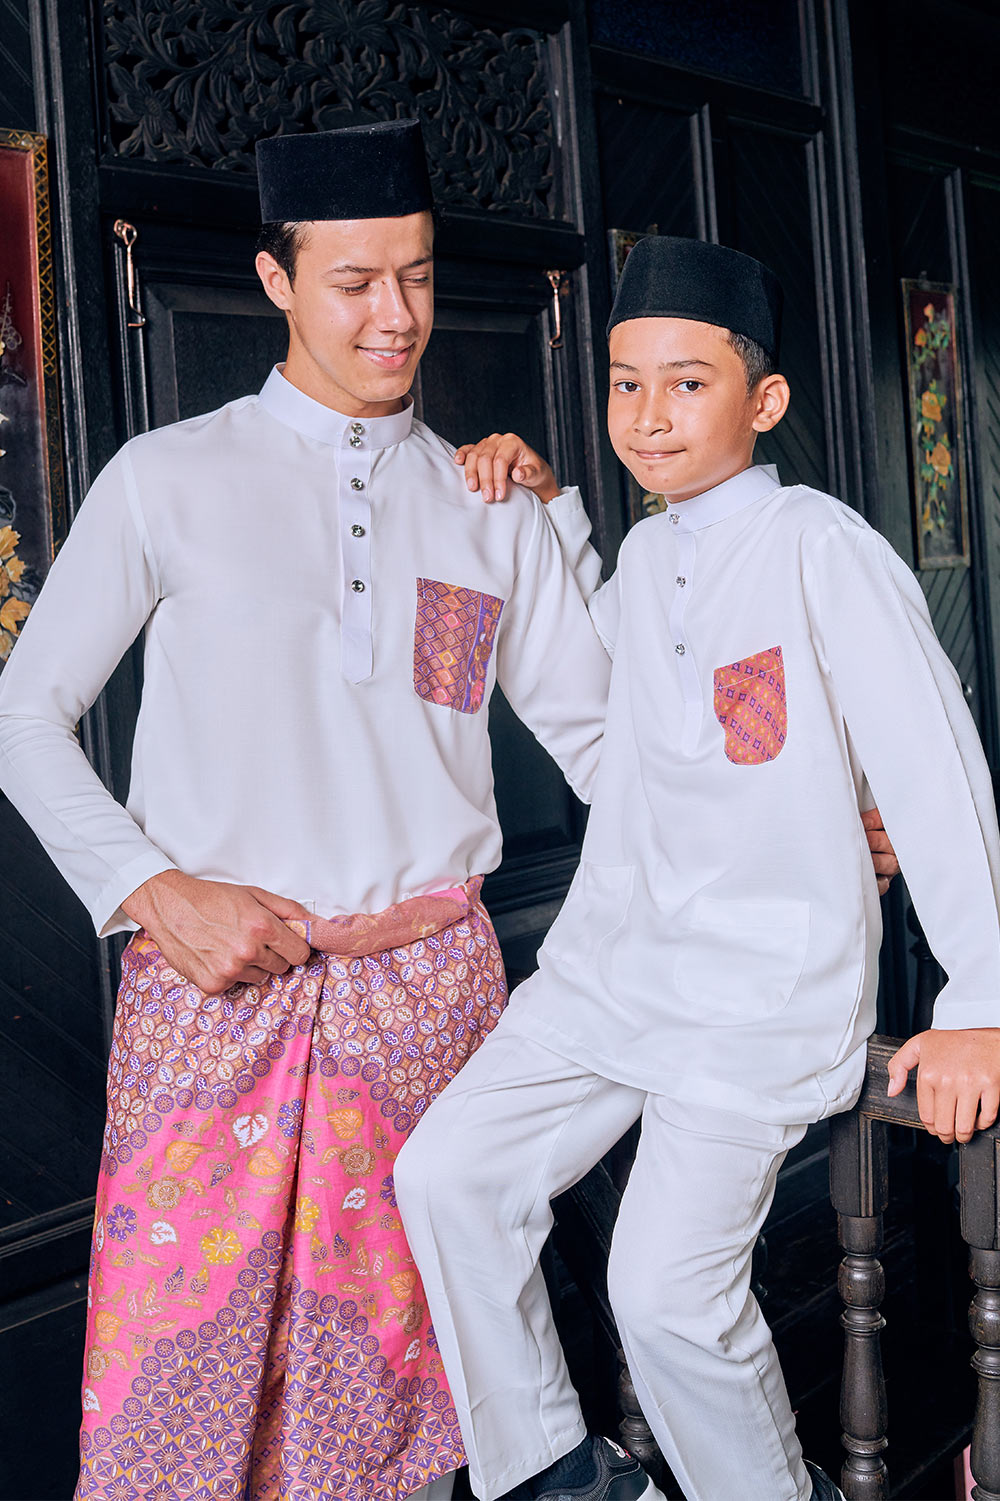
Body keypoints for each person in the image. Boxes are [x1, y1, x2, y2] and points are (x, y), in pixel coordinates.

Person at [0, 121, 614, 1501]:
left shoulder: (490, 507)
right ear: (276, 279)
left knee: (410, 1413)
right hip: (213, 992)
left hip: (432, 1007)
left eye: (417, 275)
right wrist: (154, 891)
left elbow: (613, 752)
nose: (395, 314)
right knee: (174, 1412)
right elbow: (21, 713)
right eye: (354, 282)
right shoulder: (166, 477)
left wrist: (812, 824)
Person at [393, 235, 1000, 1501]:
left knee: (662, 1291)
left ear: (762, 401)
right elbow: (610, 725)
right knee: (445, 1175)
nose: (649, 415)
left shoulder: (816, 545)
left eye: (686, 382)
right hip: (615, 965)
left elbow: (932, 768)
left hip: (758, 990)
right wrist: (546, 514)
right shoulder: (644, 562)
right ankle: (566, 1474)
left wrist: (981, 1001)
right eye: (626, 383)